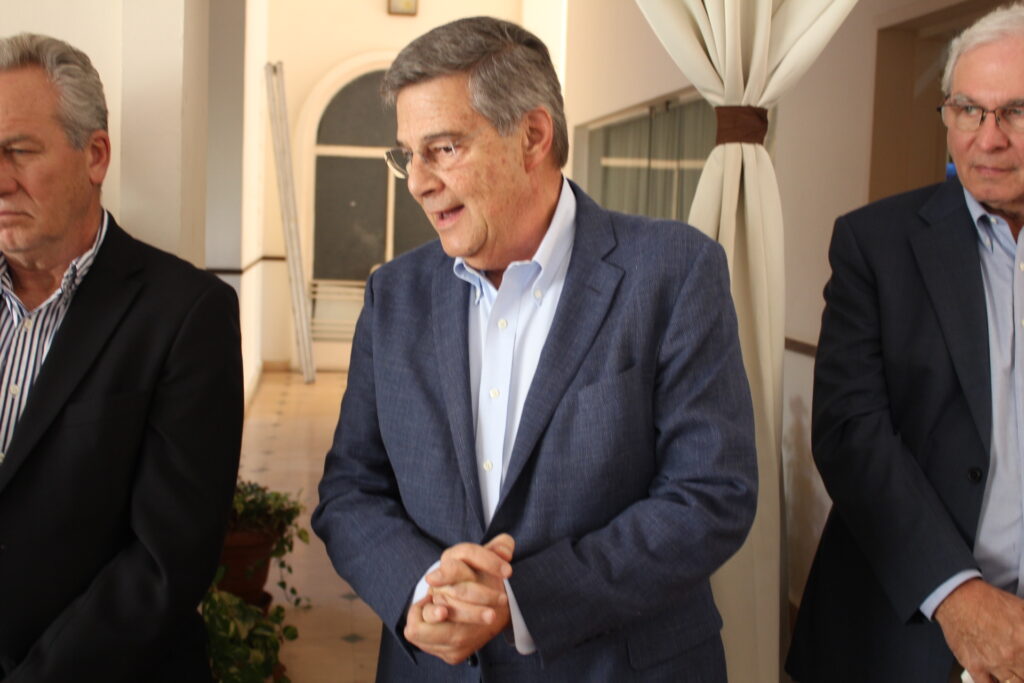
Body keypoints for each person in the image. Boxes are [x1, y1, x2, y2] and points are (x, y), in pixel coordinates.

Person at [312, 16, 757, 682]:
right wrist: (424, 588)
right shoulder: (393, 295)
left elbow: (711, 495)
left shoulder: (674, 270)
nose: (418, 182)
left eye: (444, 148)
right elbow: (350, 489)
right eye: (408, 155)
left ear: (532, 137)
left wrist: (522, 599)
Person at [787, 5, 1024, 682]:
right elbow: (850, 432)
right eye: (968, 109)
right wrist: (957, 595)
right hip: (900, 631)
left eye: (1016, 112)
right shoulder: (876, 243)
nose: (988, 138)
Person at [0, 34, 243, 682]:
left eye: (19, 151)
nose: (0, 180)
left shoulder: (187, 313)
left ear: (95, 154)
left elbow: (168, 559)